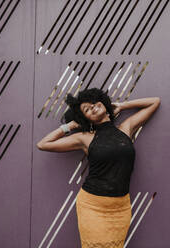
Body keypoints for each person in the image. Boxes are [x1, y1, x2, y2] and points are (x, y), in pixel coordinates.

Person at [36, 88, 160, 247]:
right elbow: (43, 144)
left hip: (121, 207)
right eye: (87, 109)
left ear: (103, 102)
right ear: (85, 118)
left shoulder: (126, 128)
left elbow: (154, 102)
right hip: (93, 206)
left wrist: (122, 106)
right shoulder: (85, 138)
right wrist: (70, 126)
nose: (93, 107)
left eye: (94, 102)